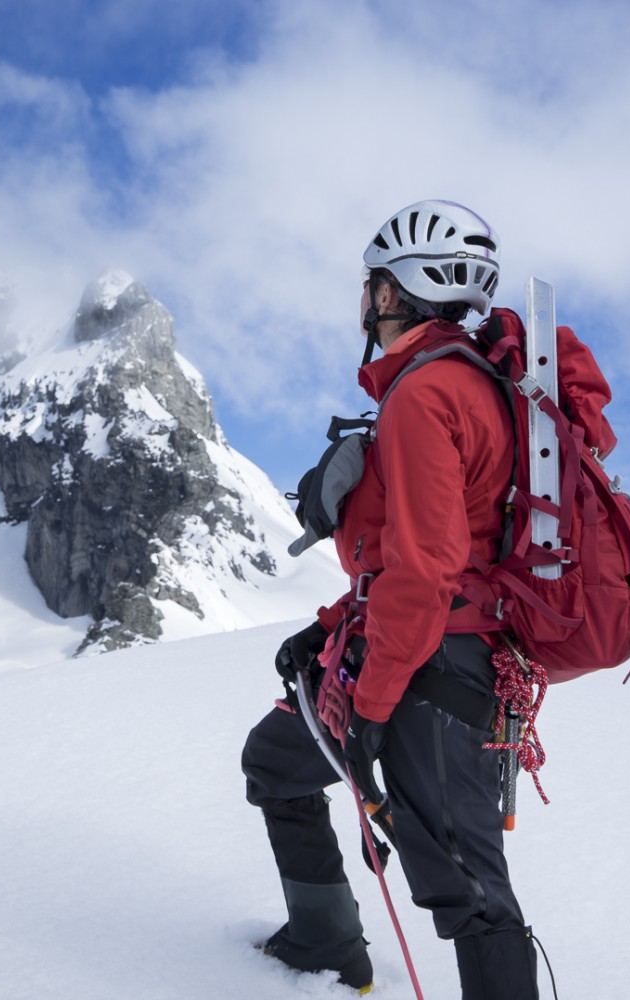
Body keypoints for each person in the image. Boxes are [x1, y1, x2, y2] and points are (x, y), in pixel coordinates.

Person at [243, 199, 540, 999]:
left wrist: (371, 705)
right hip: (422, 648)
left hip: (434, 666)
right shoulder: (469, 383)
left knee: (472, 893)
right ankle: (325, 942)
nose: (365, 301)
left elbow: (428, 567)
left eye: (373, 285)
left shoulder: (423, 396)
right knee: (277, 759)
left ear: (393, 293)